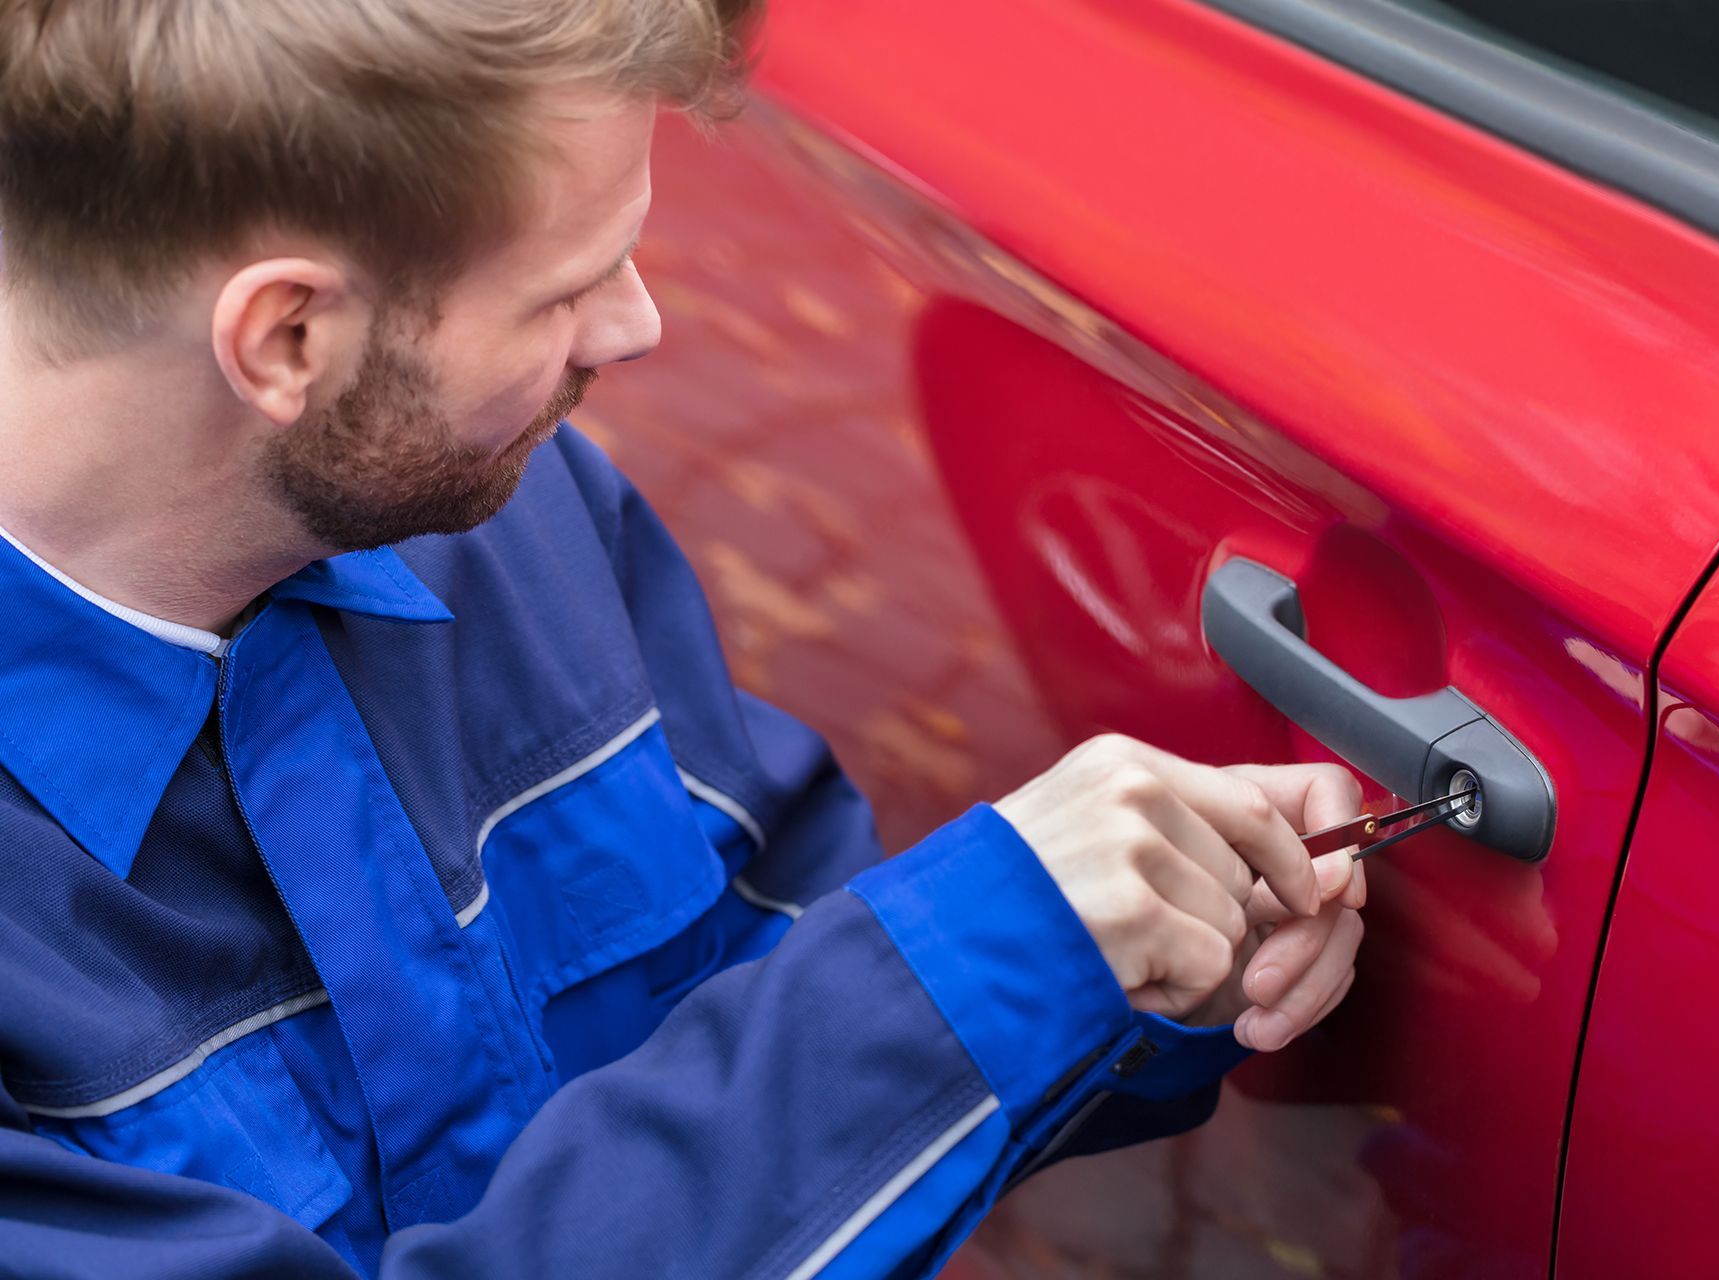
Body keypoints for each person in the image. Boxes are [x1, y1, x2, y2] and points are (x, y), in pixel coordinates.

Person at [0, 1, 1367, 1276]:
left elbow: (790, 974)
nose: (638, 328)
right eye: (563, 294)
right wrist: (987, 949)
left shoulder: (518, 533)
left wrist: (1116, 944)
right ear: (287, 334)